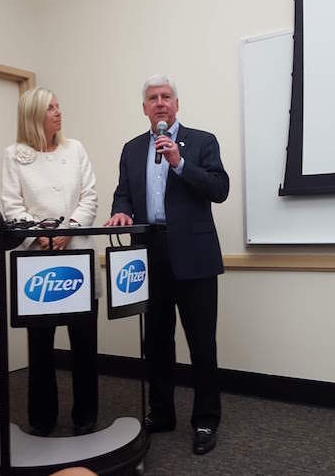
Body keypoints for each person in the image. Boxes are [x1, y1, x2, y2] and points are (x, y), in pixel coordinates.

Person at [105, 74, 229, 455]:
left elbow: (219, 189)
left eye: (166, 97)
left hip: (195, 257)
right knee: (156, 341)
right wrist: (121, 213)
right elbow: (123, 193)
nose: (160, 103)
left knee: (201, 345)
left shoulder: (203, 141)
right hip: (148, 255)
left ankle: (206, 420)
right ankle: (161, 414)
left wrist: (179, 162)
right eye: (152, 98)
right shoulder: (131, 148)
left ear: (177, 104)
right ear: (144, 107)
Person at [1, 87, 99, 436]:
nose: (59, 113)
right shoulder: (14, 155)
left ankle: (86, 416)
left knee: (84, 342)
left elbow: (90, 195)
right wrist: (39, 233)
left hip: (77, 256)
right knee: (41, 346)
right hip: (37, 261)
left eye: (59, 106)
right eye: (51, 108)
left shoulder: (76, 150)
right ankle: (42, 419)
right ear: (33, 115)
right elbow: (12, 205)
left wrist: (70, 228)